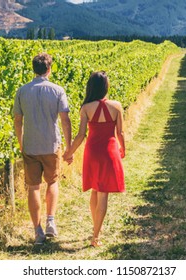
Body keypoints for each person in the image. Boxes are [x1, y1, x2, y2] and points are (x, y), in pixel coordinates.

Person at [13, 53, 73, 245]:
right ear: (49, 69)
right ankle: (51, 222)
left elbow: (18, 120)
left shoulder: (22, 91)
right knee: (52, 182)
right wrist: (69, 147)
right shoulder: (57, 90)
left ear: (34, 69)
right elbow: (65, 120)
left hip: (30, 145)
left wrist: (21, 142)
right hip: (51, 144)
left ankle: (37, 231)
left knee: (33, 187)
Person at [62, 71, 126, 248]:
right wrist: (123, 148)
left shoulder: (86, 108)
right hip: (109, 150)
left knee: (94, 190)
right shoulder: (116, 106)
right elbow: (120, 132)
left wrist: (69, 152)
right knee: (103, 192)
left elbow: (81, 135)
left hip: (92, 152)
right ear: (106, 86)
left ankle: (95, 227)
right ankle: (96, 235)